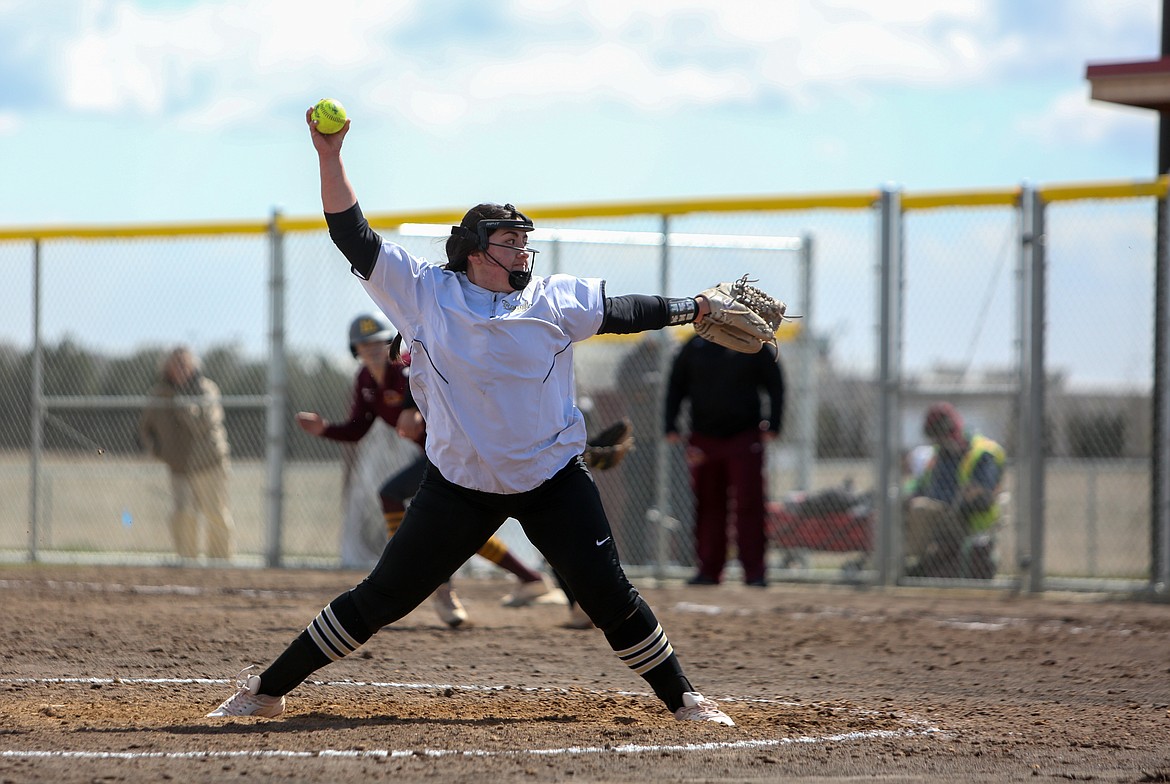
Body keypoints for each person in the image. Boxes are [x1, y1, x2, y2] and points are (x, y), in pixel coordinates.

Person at [205, 107, 736, 726]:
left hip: (553, 481)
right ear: (477, 251)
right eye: (509, 241)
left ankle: (686, 701)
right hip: (461, 485)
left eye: (524, 240)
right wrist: (330, 157)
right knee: (384, 596)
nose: (523, 250)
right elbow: (352, 233)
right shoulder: (425, 291)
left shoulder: (551, 297)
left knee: (608, 596)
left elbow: (622, 309)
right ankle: (267, 690)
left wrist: (692, 308)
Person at [295, 314, 557, 627]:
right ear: (356, 350)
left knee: (396, 496)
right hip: (441, 457)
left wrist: (412, 407)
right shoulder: (365, 380)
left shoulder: (406, 365)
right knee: (458, 526)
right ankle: (528, 579)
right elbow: (358, 429)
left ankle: (413, 571)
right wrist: (324, 429)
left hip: (459, 448)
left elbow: (433, 373)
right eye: (365, 344)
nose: (374, 349)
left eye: (379, 341)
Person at [664, 335, 785, 587]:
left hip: (744, 436)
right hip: (703, 438)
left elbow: (774, 382)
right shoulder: (695, 345)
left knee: (749, 503)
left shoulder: (752, 340)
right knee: (708, 504)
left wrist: (774, 422)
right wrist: (670, 424)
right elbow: (676, 383)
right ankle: (708, 569)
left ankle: (754, 571)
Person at [138, 346, 234, 560]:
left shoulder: (206, 389)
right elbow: (146, 426)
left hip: (209, 463)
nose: (180, 368)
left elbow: (204, 422)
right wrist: (157, 450)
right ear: (167, 368)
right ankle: (187, 562)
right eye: (175, 364)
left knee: (215, 514)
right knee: (183, 514)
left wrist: (183, 404)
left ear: (193, 366)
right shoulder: (159, 393)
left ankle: (220, 563)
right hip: (179, 466)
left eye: (184, 363)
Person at [904, 402, 1005, 578]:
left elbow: (980, 497)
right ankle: (885, 564)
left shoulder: (982, 453)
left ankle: (908, 560)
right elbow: (922, 484)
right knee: (897, 502)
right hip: (939, 511)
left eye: (940, 436)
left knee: (921, 508)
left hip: (965, 519)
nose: (938, 441)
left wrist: (951, 499)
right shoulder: (939, 453)